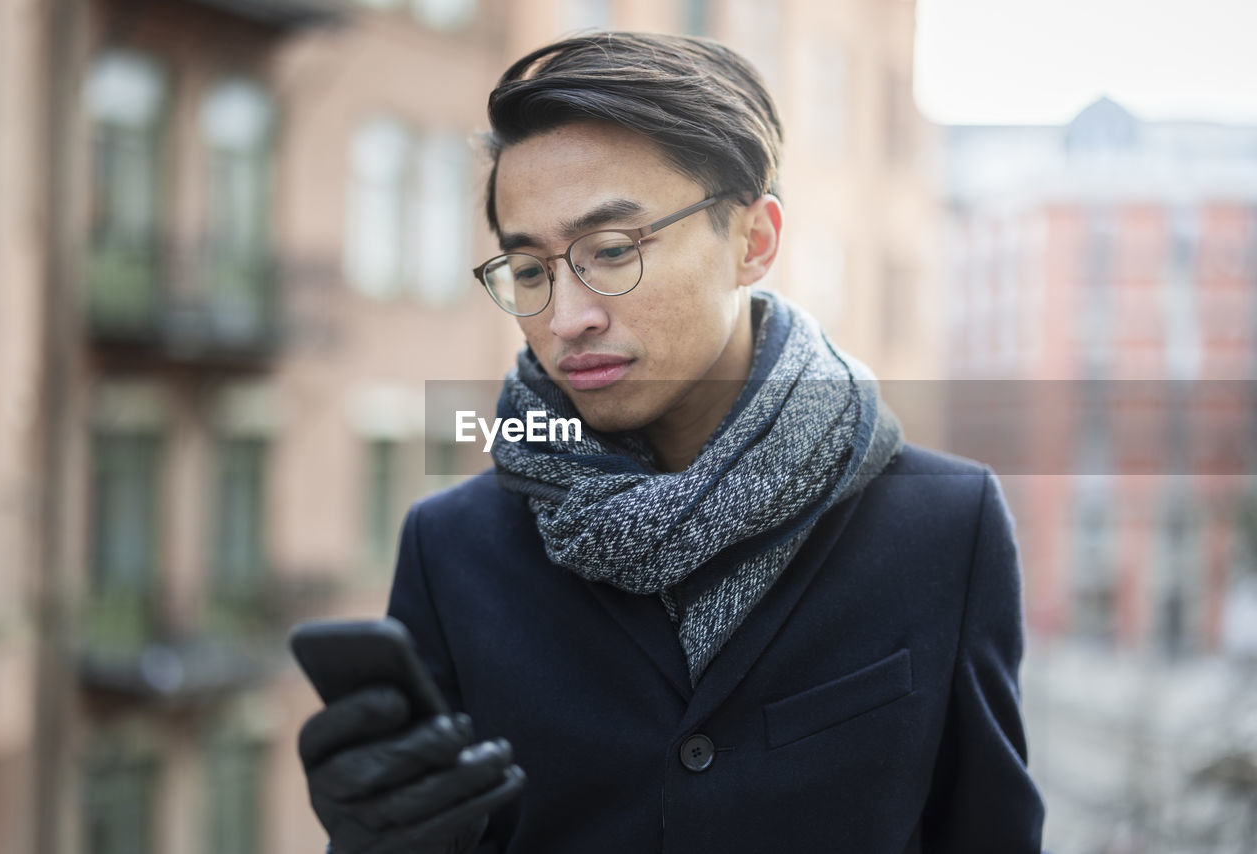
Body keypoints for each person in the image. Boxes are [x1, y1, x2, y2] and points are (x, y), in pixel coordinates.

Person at [298, 31, 1046, 853]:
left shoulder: (945, 528)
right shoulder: (451, 549)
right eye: (531, 270)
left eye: (613, 251)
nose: (567, 317)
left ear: (753, 241)